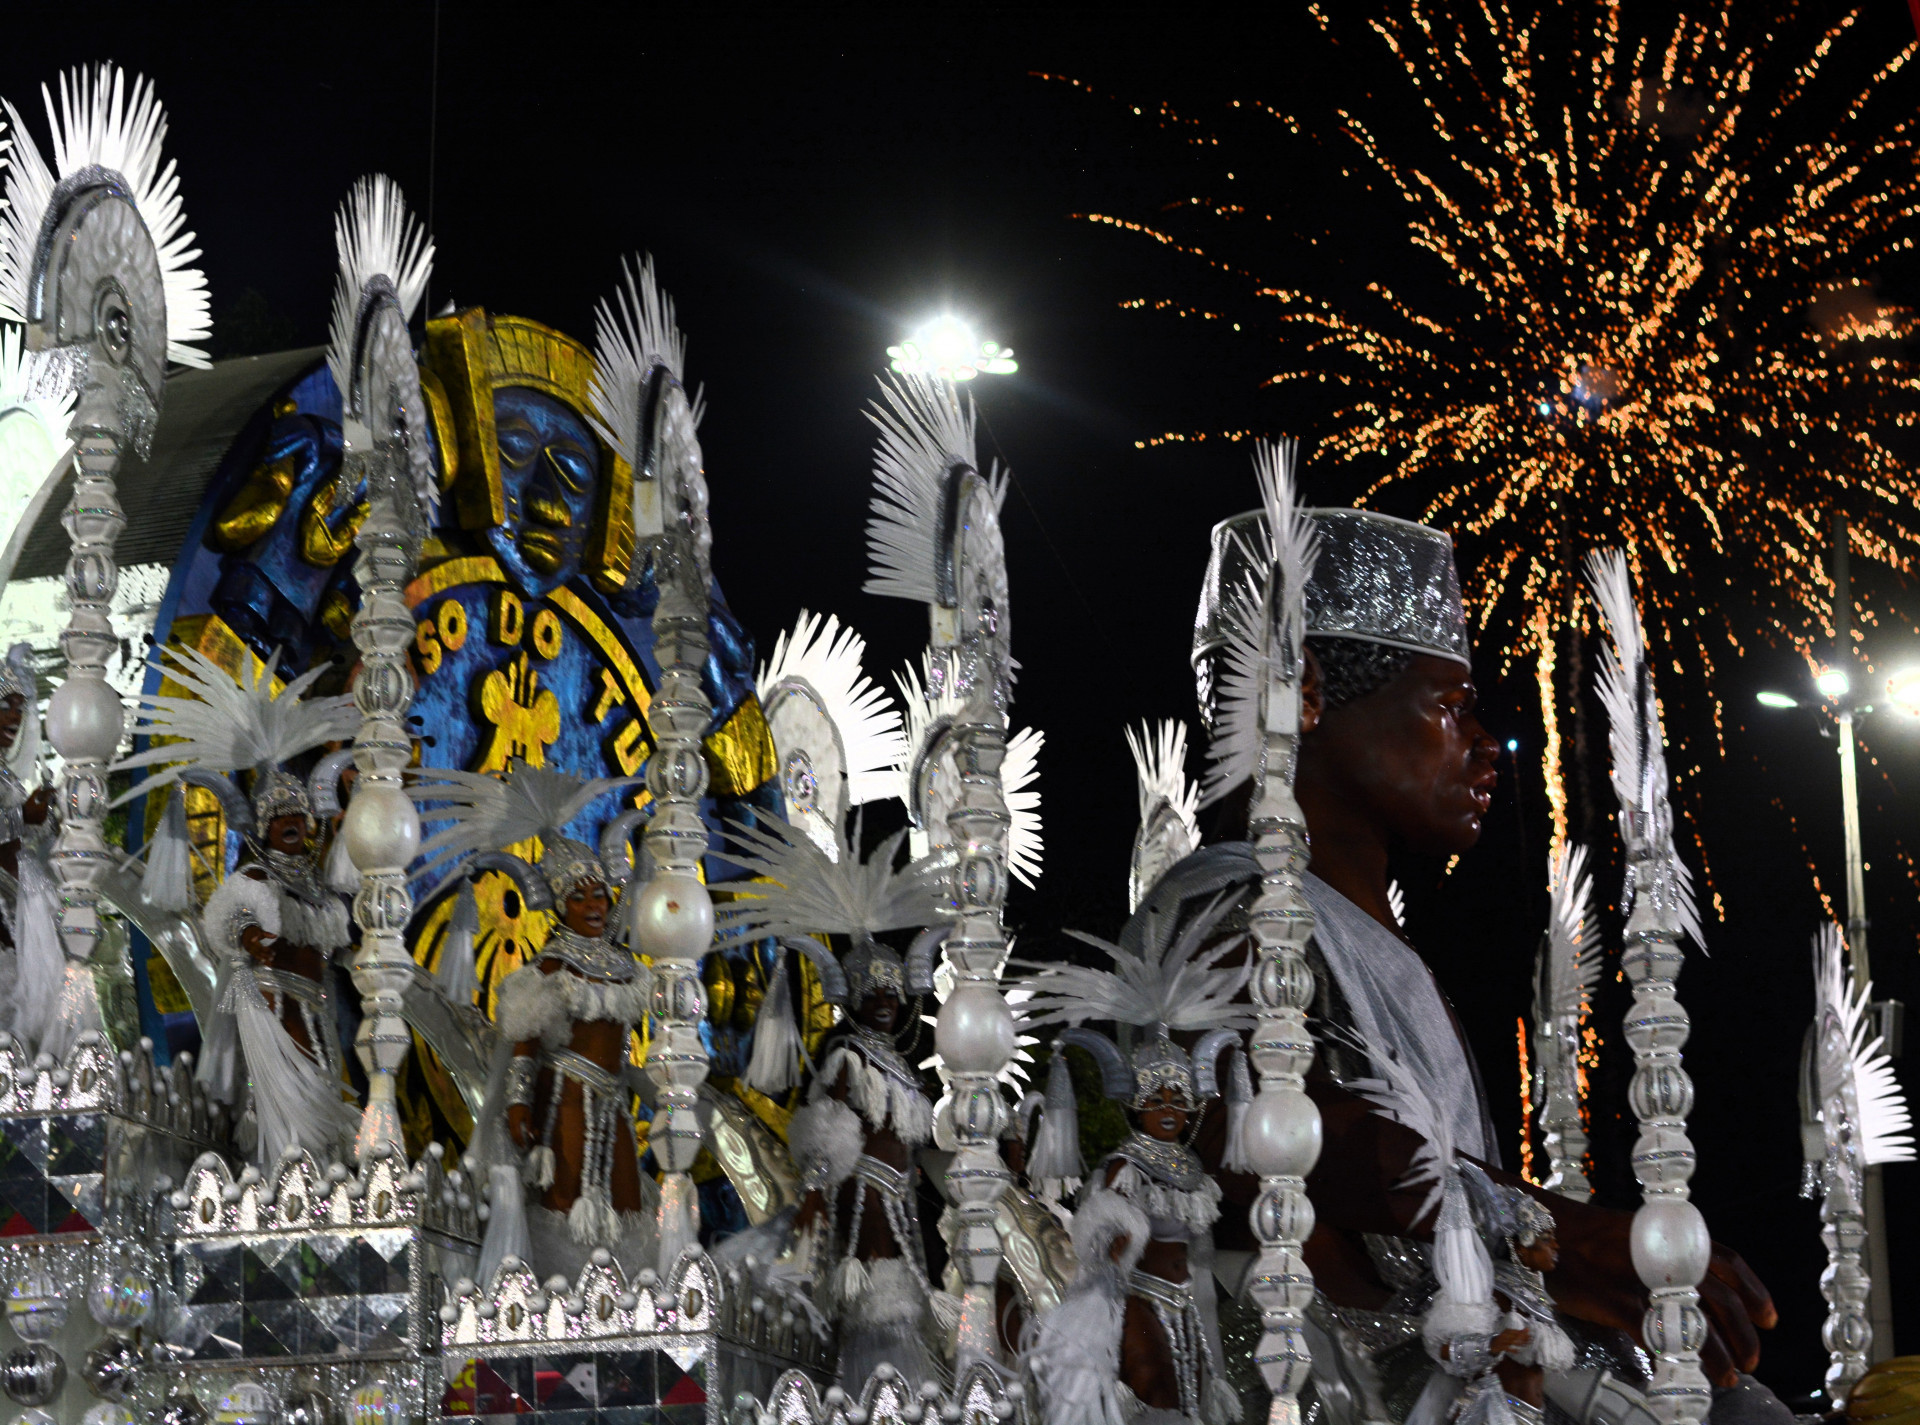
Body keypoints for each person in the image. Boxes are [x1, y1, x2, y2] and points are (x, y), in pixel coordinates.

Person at [1175, 506, 1777, 1424]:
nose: (1485, 745)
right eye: (1447, 707)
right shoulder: (1222, 901)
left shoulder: (1378, 940)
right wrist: (1560, 1235)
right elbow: (1233, 1136)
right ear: (1307, 692)